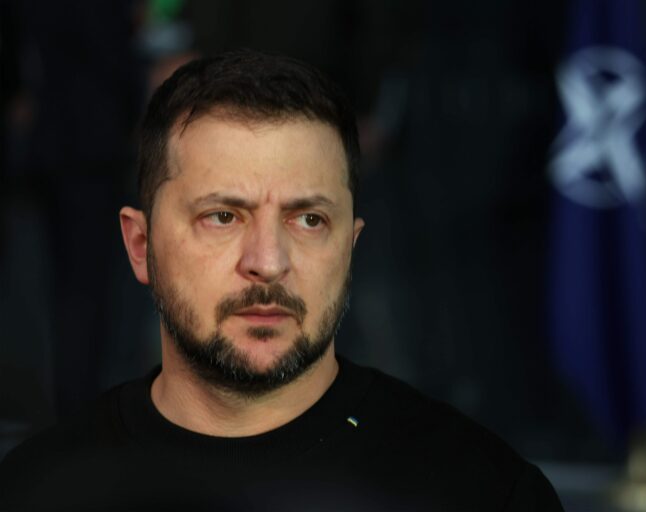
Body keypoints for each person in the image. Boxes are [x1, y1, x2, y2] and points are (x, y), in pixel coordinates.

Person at [0, 50, 563, 511]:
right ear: (140, 246)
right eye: (223, 216)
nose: (268, 262)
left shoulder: (481, 493)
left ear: (351, 247)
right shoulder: (37, 492)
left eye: (309, 219)